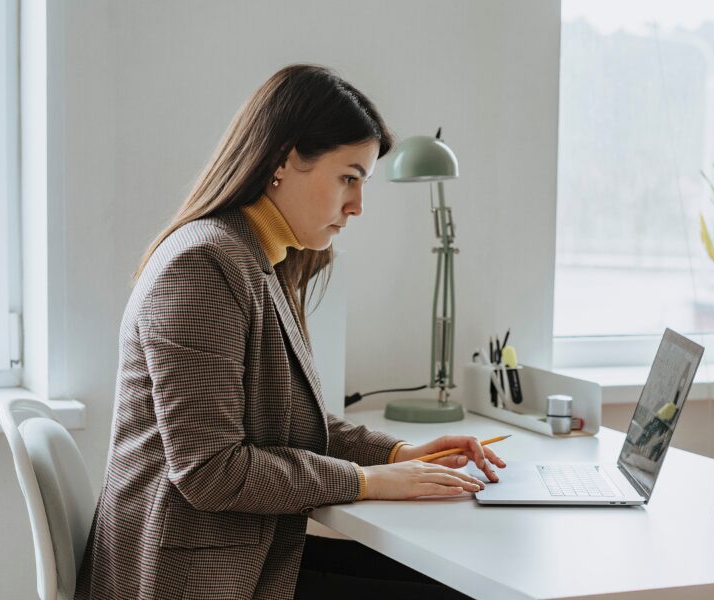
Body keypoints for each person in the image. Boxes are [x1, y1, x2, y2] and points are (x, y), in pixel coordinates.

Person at [74, 64, 505, 600]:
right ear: (284, 160)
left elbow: (289, 423)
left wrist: (399, 455)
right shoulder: (204, 264)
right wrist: (366, 483)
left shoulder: (262, 259)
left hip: (243, 552)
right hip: (189, 576)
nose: (358, 206)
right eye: (348, 177)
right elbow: (211, 471)